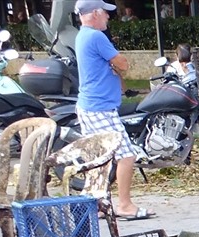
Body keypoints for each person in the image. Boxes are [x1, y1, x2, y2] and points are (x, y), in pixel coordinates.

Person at [74, 0, 155, 221]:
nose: (109, 17)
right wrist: (116, 63)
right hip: (100, 108)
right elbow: (123, 63)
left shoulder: (82, 35)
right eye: (105, 13)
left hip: (89, 106)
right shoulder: (96, 36)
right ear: (95, 13)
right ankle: (125, 205)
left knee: (99, 160)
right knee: (126, 155)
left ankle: (97, 204)